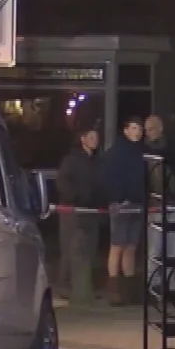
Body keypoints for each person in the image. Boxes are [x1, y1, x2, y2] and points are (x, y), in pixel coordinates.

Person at [98, 118, 149, 306]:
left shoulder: (141, 152)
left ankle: (129, 289)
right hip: (122, 205)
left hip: (137, 203)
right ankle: (114, 289)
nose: (138, 132)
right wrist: (118, 197)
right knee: (117, 245)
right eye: (134, 128)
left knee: (131, 247)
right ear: (126, 130)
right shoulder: (116, 153)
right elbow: (107, 177)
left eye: (140, 128)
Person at [53, 127, 102, 304]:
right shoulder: (72, 160)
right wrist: (77, 197)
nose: (95, 140)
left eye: (96, 137)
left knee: (89, 249)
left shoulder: (96, 161)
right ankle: (64, 284)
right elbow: (63, 182)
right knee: (69, 248)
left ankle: (84, 285)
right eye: (91, 137)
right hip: (72, 210)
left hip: (91, 210)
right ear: (82, 139)